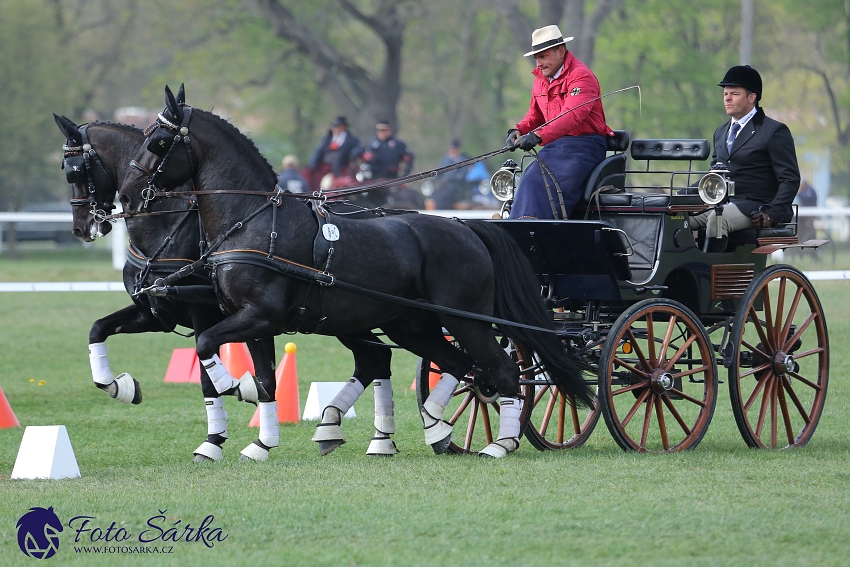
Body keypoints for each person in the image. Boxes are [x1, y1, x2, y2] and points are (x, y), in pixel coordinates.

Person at [505, 25, 612, 219]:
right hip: (555, 147)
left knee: (542, 182)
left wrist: (537, 136)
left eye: (543, 56)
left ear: (561, 50)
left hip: (584, 147)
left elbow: (571, 116)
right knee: (528, 179)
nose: (539, 63)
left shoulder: (581, 76)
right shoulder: (541, 79)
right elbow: (535, 116)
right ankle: (520, 226)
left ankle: (538, 229)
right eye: (536, 58)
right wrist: (518, 130)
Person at [691, 65, 801, 252]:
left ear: (752, 97)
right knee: (677, 218)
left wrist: (772, 214)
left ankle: (708, 275)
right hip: (722, 203)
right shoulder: (720, 132)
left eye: (734, 93)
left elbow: (790, 179)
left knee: (717, 220)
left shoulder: (774, 131)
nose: (727, 97)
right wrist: (678, 197)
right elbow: (714, 175)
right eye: (725, 93)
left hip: (755, 205)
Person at [357, 120, 421, 208]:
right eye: (379, 130)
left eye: (383, 130)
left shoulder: (397, 144)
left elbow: (409, 157)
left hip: (390, 177)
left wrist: (405, 174)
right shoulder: (373, 143)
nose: (381, 133)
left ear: (389, 131)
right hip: (373, 178)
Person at [306, 116, 362, 191]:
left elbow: (358, 148)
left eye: (338, 126)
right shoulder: (328, 138)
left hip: (339, 168)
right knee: (307, 174)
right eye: (334, 126)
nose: (335, 128)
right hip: (323, 167)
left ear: (344, 127)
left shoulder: (351, 140)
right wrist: (313, 163)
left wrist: (353, 154)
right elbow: (319, 151)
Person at [433, 140, 471, 209]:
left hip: (456, 185)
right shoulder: (446, 159)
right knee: (435, 194)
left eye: (454, 149)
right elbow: (440, 171)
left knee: (445, 195)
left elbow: (462, 176)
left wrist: (449, 179)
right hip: (445, 185)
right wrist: (433, 179)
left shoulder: (462, 160)